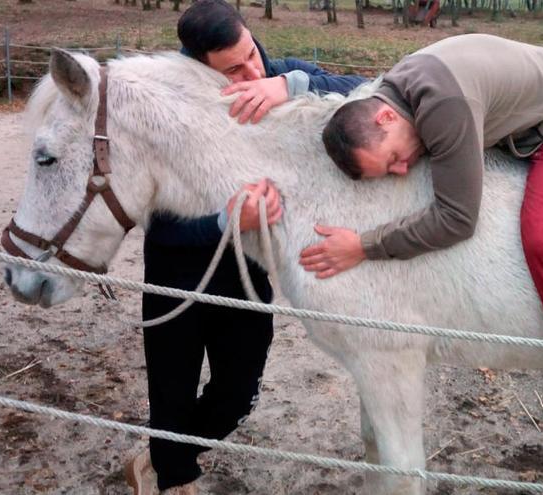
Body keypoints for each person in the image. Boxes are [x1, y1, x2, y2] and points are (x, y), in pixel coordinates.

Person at [311, 34, 543, 486]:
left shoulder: (442, 106)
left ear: (385, 114)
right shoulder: (395, 92)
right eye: (389, 170)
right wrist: (290, 83)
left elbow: (456, 219)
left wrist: (365, 245)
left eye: (392, 158)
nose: (400, 169)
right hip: (530, 129)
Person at [123, 2, 364, 494]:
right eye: (233, 68)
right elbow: (159, 227)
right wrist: (226, 221)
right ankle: (175, 478)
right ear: (198, 65)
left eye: (251, 53)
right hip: (177, 277)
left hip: (246, 275)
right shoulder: (171, 107)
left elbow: (361, 90)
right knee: (171, 395)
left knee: (238, 397)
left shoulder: (275, 75)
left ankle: (160, 457)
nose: (250, 71)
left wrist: (286, 85)